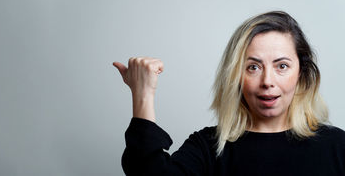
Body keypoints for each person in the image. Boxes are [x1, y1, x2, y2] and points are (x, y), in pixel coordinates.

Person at [113, 11, 345, 176]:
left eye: (281, 66)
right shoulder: (209, 147)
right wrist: (143, 95)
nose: (267, 81)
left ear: (301, 74)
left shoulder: (338, 146)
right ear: (235, 76)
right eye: (252, 67)